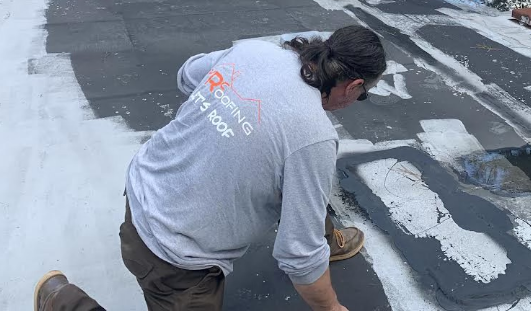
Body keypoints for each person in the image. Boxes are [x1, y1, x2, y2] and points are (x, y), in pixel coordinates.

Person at [34, 25, 387, 311]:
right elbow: (298, 256)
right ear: (354, 85)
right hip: (173, 258)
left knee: (297, 179)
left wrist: (234, 110)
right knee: (300, 173)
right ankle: (63, 302)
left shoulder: (259, 51)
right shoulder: (314, 137)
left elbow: (188, 76)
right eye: (363, 94)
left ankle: (325, 239)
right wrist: (331, 308)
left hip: (144, 186)